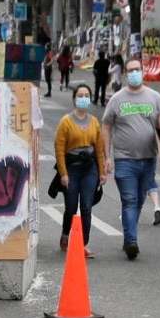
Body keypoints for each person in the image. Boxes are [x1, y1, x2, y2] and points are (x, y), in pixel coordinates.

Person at [100, 60, 160, 260]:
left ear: (143, 71)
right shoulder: (117, 99)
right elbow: (106, 126)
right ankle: (131, 241)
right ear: (125, 74)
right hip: (124, 160)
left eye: (137, 70)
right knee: (129, 200)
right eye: (130, 71)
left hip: (148, 160)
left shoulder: (154, 98)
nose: (134, 73)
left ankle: (129, 236)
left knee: (138, 200)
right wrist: (107, 156)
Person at [54, 80, 106, 252]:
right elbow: (59, 149)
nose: (84, 98)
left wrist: (102, 171)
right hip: (72, 168)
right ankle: (65, 233)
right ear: (74, 99)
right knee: (70, 206)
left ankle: (83, 243)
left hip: (89, 168)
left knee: (86, 206)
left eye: (86, 96)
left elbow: (99, 149)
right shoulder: (66, 122)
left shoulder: (94, 122)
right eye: (80, 96)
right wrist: (63, 173)